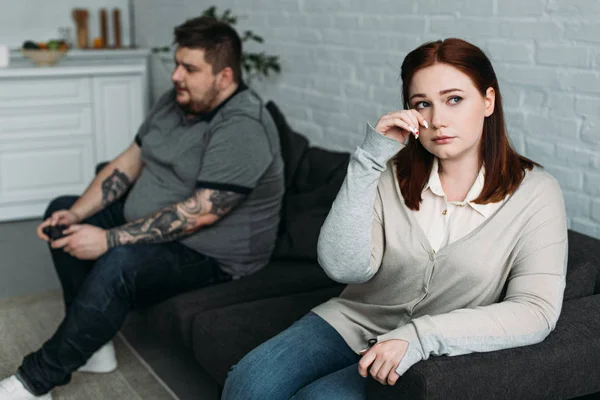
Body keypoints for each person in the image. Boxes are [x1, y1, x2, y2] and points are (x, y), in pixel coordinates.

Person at [221, 38, 568, 400]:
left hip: (427, 347)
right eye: (423, 104)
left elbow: (535, 311)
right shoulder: (388, 171)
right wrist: (369, 159)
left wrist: (421, 336)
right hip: (351, 320)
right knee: (248, 384)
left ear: (488, 101)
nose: (437, 120)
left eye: (454, 99)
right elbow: (344, 268)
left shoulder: (536, 193)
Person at [0, 16, 284, 400]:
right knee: (63, 212)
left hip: (210, 254)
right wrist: (78, 215)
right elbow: (129, 161)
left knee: (120, 262)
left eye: (190, 68)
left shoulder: (243, 127)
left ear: (224, 76)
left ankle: (35, 382)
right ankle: (94, 347)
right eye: (176, 63)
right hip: (155, 222)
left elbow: (200, 212)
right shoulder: (178, 101)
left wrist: (109, 240)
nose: (175, 76)